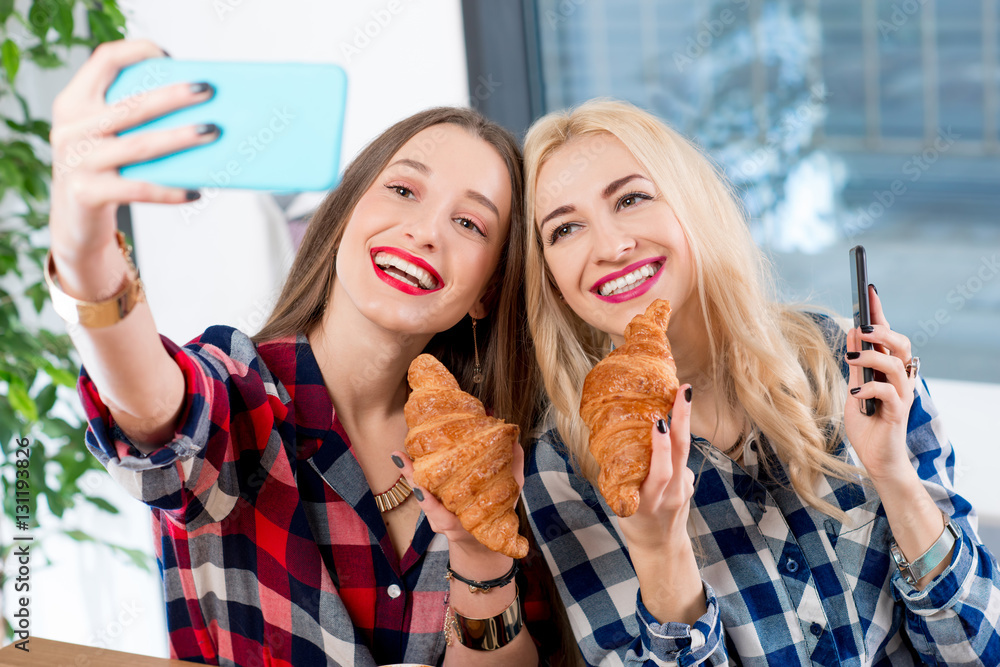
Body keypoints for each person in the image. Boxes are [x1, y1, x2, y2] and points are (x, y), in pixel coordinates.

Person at [48, 39, 549, 666]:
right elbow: (157, 414)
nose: (425, 231)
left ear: (487, 291)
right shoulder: (243, 392)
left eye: (470, 224)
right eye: (402, 190)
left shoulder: (496, 451)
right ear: (342, 215)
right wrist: (84, 255)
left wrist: (481, 563)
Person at [518, 99, 1000, 666]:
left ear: (691, 204)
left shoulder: (840, 360)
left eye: (631, 198)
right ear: (549, 275)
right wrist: (658, 550)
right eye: (565, 228)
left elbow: (978, 651)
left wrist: (895, 477)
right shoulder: (567, 468)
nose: (609, 246)